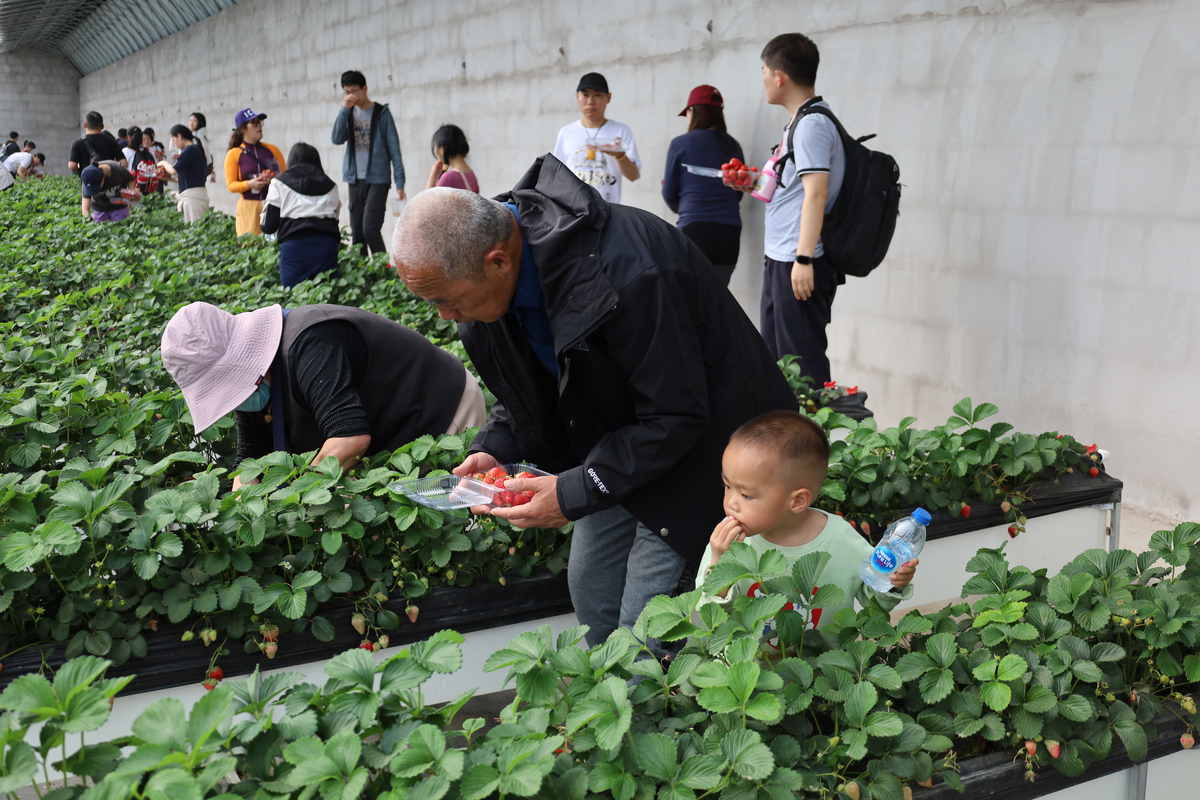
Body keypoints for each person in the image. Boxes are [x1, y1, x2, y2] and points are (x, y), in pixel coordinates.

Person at [388, 164, 798, 655]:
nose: (444, 315)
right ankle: (613, 691)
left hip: (714, 449)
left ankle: (654, 697)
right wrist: (494, 448)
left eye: (447, 300)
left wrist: (574, 490)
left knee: (647, 628)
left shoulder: (625, 272)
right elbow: (539, 386)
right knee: (591, 589)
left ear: (498, 261)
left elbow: (677, 416)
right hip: (626, 443)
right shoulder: (493, 284)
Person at [159, 301, 488, 492]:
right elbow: (250, 458)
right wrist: (241, 506)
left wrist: (293, 499)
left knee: (453, 508)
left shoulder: (311, 346)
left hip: (442, 409)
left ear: (243, 359)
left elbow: (349, 437)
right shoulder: (252, 384)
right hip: (387, 428)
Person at [696, 411, 917, 648]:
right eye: (727, 486)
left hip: (823, 667)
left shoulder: (841, 540)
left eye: (747, 495)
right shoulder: (728, 544)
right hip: (749, 669)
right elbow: (711, 616)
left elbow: (872, 602)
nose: (731, 502)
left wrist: (892, 581)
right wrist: (719, 563)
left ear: (797, 501)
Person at [748, 33, 846, 385]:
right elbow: (792, 188)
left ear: (779, 77)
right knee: (779, 367)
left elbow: (816, 194)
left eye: (763, 71)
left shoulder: (812, 125)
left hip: (798, 260)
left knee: (803, 369)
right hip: (783, 257)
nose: (762, 78)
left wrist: (803, 259)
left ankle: (817, 424)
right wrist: (750, 183)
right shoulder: (798, 122)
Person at [661, 85, 745, 287]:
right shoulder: (733, 146)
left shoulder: (680, 144)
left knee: (690, 298)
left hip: (695, 229)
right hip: (730, 232)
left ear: (693, 111)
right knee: (718, 297)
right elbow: (738, 192)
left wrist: (683, 207)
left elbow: (669, 193)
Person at [331, 70, 407, 256]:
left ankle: (384, 269)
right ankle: (362, 272)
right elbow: (336, 138)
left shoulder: (382, 113)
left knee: (370, 229)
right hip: (354, 179)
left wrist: (400, 183)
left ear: (365, 89)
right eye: (347, 92)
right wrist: (344, 109)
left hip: (378, 179)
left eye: (354, 91)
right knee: (357, 234)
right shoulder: (348, 113)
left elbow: (394, 150)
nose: (351, 96)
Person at [552, 72, 641, 204]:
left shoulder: (620, 131)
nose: (590, 101)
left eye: (597, 95)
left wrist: (620, 156)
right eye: (585, 95)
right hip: (573, 209)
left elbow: (633, 176)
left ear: (608, 97)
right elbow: (556, 175)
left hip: (608, 209)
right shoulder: (566, 132)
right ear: (577, 96)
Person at [261, 143, 342, 287]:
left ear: (291, 161)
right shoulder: (331, 185)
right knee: (326, 297)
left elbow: (268, 226)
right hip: (326, 248)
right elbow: (335, 217)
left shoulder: (279, 183)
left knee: (295, 298)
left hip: (294, 250)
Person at [224, 108, 286, 237]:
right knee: (249, 244)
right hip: (248, 208)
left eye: (260, 122)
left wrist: (274, 178)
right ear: (242, 129)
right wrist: (249, 184)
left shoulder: (272, 150)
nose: (259, 126)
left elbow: (286, 176)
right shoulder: (234, 154)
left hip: (273, 205)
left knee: (274, 244)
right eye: (254, 123)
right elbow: (231, 185)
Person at [157, 125, 209, 223]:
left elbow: (173, 170)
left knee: (194, 227)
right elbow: (189, 178)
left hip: (193, 199)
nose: (175, 144)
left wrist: (163, 163)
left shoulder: (189, 150)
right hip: (195, 196)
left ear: (180, 136)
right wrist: (169, 179)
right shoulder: (195, 149)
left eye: (174, 140)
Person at [68, 112, 126, 176]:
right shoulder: (112, 141)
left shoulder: (77, 143)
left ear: (84, 125)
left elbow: (72, 166)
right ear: (102, 126)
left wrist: (82, 172)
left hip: (88, 179)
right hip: (108, 179)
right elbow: (124, 163)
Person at [425, 124, 478, 193]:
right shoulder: (471, 174)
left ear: (442, 149)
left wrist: (433, 176)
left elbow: (426, 199)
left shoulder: (449, 177)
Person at [188, 112, 213, 177]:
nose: (191, 123)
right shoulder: (191, 136)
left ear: (200, 123)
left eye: (194, 121)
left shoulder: (199, 139)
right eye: (190, 120)